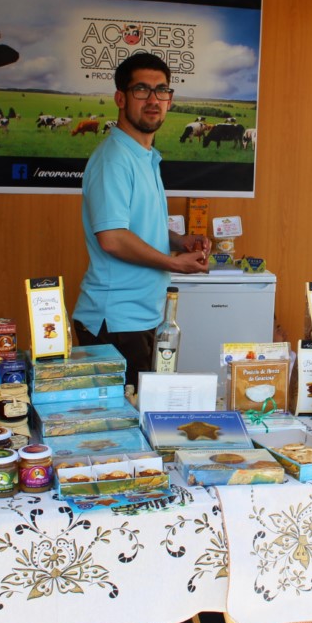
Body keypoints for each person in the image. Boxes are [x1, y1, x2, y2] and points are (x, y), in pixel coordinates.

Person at [72, 53, 210, 386]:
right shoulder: (114, 159)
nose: (153, 100)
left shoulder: (144, 155)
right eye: (141, 90)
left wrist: (177, 241)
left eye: (161, 91)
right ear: (120, 97)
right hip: (116, 321)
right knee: (126, 425)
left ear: (170, 100)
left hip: (141, 316)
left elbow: (132, 225)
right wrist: (173, 263)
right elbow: (113, 238)